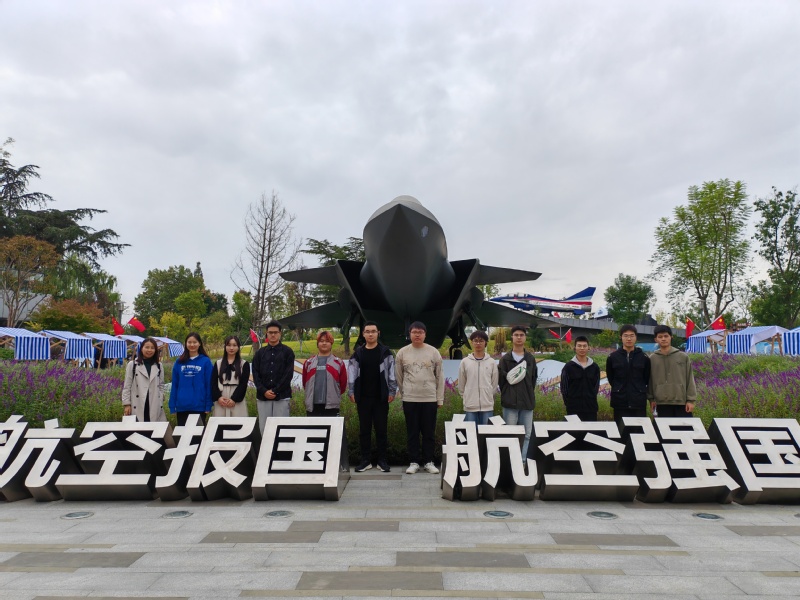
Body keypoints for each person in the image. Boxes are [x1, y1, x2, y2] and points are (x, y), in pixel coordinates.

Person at [396, 321, 444, 474]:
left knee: (429, 432)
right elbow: (399, 376)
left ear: (425, 334)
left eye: (420, 332)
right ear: (409, 334)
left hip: (429, 399)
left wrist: (439, 398)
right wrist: (405, 393)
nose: (417, 335)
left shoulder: (433, 352)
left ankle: (429, 461)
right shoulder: (402, 353)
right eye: (414, 332)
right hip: (410, 399)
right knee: (412, 432)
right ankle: (414, 462)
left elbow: (440, 377)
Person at [348, 322, 397, 472]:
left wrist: (392, 391)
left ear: (378, 333)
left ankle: (382, 460)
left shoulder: (386, 353)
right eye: (367, 331)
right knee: (364, 430)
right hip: (363, 398)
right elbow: (352, 374)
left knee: (381, 430)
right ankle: (365, 460)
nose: (370, 334)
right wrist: (351, 391)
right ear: (363, 334)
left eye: (373, 331)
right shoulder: (358, 353)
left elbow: (392, 373)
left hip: (381, 398)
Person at [498, 325, 538, 459]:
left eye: (522, 335)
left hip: (527, 403)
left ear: (525, 337)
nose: (519, 337)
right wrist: (508, 394)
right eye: (516, 335)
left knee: (527, 434)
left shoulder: (530, 359)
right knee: (510, 434)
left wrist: (527, 393)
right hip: (510, 403)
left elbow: (533, 380)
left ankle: (523, 460)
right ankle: (511, 461)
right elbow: (501, 382)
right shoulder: (505, 359)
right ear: (512, 337)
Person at [252, 320, 296, 433]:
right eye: (270, 332)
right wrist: (264, 391)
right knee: (264, 429)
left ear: (280, 333)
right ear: (266, 333)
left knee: (282, 429)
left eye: (275, 332)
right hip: (263, 397)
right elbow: (255, 374)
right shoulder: (259, 353)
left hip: (282, 396)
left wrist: (276, 390)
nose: (273, 335)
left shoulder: (287, 352)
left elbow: (288, 374)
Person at [606, 324, 651, 430]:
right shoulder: (613, 357)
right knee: (621, 431)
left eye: (632, 336)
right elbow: (611, 378)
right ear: (621, 337)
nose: (629, 339)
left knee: (639, 432)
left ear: (636, 337)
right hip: (620, 401)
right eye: (625, 336)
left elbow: (646, 378)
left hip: (638, 401)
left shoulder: (644, 357)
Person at [649, 325, 697, 417]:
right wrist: (651, 399)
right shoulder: (652, 358)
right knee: (662, 426)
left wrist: (690, 400)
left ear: (671, 337)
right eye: (660, 337)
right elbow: (650, 380)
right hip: (661, 403)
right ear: (656, 339)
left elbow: (689, 378)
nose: (663, 339)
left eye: (666, 336)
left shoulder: (683, 357)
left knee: (685, 426)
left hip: (681, 403)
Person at [169, 332, 213, 426]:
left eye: (195, 342)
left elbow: (209, 384)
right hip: (182, 406)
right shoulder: (179, 362)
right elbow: (175, 385)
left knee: (198, 434)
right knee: (183, 433)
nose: (192, 345)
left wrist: (208, 405)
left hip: (199, 406)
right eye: (189, 342)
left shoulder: (206, 361)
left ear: (199, 343)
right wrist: (172, 405)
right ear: (185, 344)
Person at [302, 331, 348, 417]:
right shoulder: (308, 363)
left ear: (331, 343)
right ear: (317, 344)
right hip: (312, 406)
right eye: (321, 341)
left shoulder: (339, 363)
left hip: (332, 406)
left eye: (327, 341)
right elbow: (305, 384)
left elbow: (342, 386)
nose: (324, 343)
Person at [457, 329, 498, 425]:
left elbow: (494, 383)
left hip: (487, 405)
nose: (478, 343)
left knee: (486, 432)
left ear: (485, 343)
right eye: (475, 341)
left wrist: (489, 396)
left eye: (481, 341)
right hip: (470, 405)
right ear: (472, 342)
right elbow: (461, 383)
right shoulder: (465, 362)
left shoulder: (491, 362)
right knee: (471, 432)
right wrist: (466, 397)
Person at [122, 337, 167, 422]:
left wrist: (160, 399)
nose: (149, 350)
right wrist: (127, 404)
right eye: (147, 347)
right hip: (138, 403)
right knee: (138, 428)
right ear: (141, 348)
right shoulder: (133, 365)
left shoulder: (159, 365)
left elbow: (161, 385)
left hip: (154, 403)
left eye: (152, 348)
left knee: (154, 428)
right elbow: (127, 386)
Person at [559, 335, 601, 421]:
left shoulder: (594, 367)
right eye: (579, 346)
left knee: (591, 430)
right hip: (573, 409)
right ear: (575, 348)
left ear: (588, 348)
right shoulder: (568, 367)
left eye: (584, 346)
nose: (582, 348)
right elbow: (564, 388)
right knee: (574, 430)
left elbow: (595, 388)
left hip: (591, 409)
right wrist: (569, 403)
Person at [211, 335, 251, 418]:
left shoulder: (244, 364)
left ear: (238, 347)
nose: (231, 348)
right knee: (220, 423)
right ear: (225, 346)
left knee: (238, 422)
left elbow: (243, 384)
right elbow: (213, 382)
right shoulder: (218, 363)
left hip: (237, 396)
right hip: (222, 398)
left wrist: (234, 399)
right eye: (229, 345)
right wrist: (219, 397)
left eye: (234, 345)